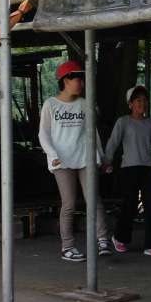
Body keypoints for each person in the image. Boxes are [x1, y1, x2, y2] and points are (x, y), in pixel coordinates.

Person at [39, 60, 112, 262]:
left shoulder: (85, 104)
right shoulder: (50, 104)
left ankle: (103, 240)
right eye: (77, 78)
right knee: (69, 203)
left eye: (82, 78)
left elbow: (93, 133)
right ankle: (68, 247)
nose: (81, 82)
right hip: (61, 161)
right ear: (65, 80)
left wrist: (102, 158)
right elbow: (43, 134)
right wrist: (52, 154)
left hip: (85, 157)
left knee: (93, 199)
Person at [105, 85, 151, 256]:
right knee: (130, 205)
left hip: (148, 168)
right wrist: (106, 161)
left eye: (145, 100)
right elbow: (113, 143)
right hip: (128, 169)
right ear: (130, 104)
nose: (142, 103)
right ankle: (120, 238)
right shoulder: (123, 121)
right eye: (138, 100)